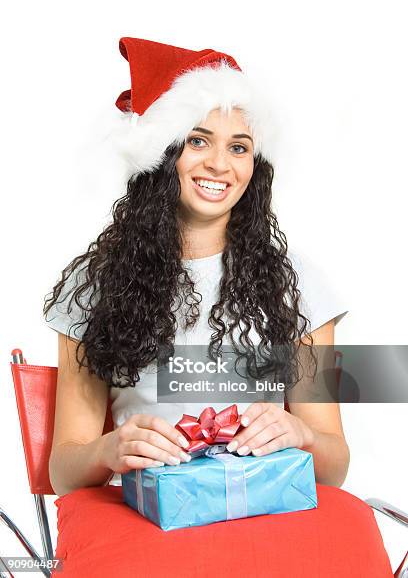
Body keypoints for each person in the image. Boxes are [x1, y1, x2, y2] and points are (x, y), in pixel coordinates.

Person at [43, 37, 393, 577]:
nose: (220, 164)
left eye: (239, 146)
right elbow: (66, 470)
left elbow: (334, 463)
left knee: (350, 537)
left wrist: (299, 434)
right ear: (163, 153)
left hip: (269, 505)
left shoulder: (301, 285)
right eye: (198, 140)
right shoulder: (94, 288)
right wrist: (111, 449)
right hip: (150, 514)